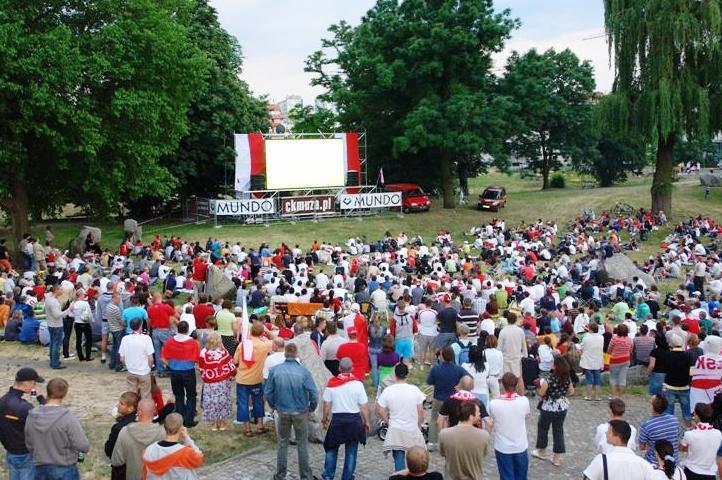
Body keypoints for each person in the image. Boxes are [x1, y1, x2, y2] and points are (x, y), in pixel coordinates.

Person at [264, 343, 319, 480]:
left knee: (282, 443)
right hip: (300, 411)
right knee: (302, 444)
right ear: (296, 354)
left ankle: (280, 475)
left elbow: (268, 392)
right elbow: (314, 393)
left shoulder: (275, 371)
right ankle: (305, 476)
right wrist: (311, 408)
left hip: (282, 410)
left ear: (285, 354)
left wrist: (273, 406)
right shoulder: (304, 372)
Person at [24, 378, 90, 479]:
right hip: (64, 467)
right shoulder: (67, 417)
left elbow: (29, 442)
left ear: (48, 392)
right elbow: (83, 445)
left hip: (40, 466)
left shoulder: (32, 416)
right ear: (64, 394)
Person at [321, 357, 370, 480]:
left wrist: (325, 419)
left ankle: (328, 475)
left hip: (337, 420)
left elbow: (326, 405)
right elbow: (363, 407)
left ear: (339, 369)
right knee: (351, 451)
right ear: (352, 368)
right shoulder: (358, 385)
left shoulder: (332, 384)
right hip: (354, 421)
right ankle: (347, 477)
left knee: (331, 448)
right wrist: (366, 421)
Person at [376, 363, 427, 472]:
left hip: (395, 429)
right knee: (416, 458)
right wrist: (419, 423)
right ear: (407, 375)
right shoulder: (414, 390)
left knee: (398, 459)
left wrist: (387, 421)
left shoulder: (388, 391)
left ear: (395, 375)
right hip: (412, 428)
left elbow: (380, 409)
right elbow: (421, 410)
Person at [0, 368, 46, 480]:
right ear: (27, 383)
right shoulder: (24, 407)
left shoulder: (3, 401)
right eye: (34, 383)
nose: (34, 386)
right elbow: (45, 421)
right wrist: (41, 399)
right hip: (26, 453)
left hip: (10, 451)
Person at [531, 355, 574, 467]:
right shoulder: (567, 378)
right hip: (562, 406)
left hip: (548, 407)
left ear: (556, 366)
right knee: (558, 430)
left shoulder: (548, 380)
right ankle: (557, 458)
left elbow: (541, 393)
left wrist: (538, 388)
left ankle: (542, 452)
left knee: (543, 428)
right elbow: (571, 392)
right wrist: (561, 394)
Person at [426, 345, 471, 450]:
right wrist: (460, 385)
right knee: (452, 420)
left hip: (438, 398)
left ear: (442, 356)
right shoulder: (458, 369)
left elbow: (429, 382)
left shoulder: (436, 369)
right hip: (453, 399)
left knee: (434, 419)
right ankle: (452, 441)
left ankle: (432, 442)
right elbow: (469, 378)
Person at [234, 320, 272, 437]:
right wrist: (267, 331)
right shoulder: (265, 345)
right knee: (258, 402)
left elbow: (235, 361)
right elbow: (278, 339)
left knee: (243, 403)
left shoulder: (242, 345)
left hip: (242, 379)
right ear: (262, 333)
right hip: (257, 379)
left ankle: (247, 429)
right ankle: (260, 426)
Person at [489, 372, 530, 480]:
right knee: (521, 477)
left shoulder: (494, 403)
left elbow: (491, 420)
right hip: (520, 445)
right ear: (516, 385)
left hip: (503, 446)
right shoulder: (524, 401)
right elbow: (526, 417)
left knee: (506, 477)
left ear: (502, 384)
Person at [111, 399, 165, 480]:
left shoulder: (125, 432)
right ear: (154, 412)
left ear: (138, 411)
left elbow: (117, 461)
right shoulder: (162, 433)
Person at [583, 420, 655, 480]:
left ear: (617, 437)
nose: (606, 433)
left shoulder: (601, 460)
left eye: (609, 432)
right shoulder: (643, 464)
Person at [161, 320, 200, 428]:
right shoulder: (193, 343)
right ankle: (188, 420)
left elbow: (163, 358)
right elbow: (197, 359)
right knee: (191, 395)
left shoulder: (170, 341)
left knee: (179, 396)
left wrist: (170, 365)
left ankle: (180, 418)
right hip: (188, 372)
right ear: (187, 330)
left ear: (178, 329)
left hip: (175, 372)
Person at [141, 413, 204, 479]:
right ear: (181, 428)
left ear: (164, 427)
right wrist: (187, 438)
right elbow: (199, 459)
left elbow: (145, 474)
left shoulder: (149, 450)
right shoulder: (185, 453)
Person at [439, 400, 489, 480]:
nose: (480, 414)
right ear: (471, 416)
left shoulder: (444, 434)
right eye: (478, 412)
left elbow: (443, 453)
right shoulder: (484, 435)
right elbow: (484, 454)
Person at [198, 332, 236, 431]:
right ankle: (222, 422)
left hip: (210, 383)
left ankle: (215, 423)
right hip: (222, 382)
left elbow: (201, 367)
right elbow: (230, 365)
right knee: (223, 401)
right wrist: (232, 374)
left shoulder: (203, 353)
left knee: (212, 402)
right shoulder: (224, 352)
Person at [680, 403, 720, 480]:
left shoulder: (689, 434)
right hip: (710, 473)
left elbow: (681, 448)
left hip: (692, 472)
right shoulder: (718, 434)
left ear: (697, 416)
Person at [119, 318, 155, 398]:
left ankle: (132, 409)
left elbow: (122, 358)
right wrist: (150, 368)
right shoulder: (146, 338)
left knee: (131, 396)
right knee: (145, 395)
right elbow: (151, 358)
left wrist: (127, 366)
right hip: (144, 371)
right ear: (140, 326)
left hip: (131, 370)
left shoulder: (125, 339)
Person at [663, 334, 693, 428]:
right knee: (686, 410)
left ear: (671, 344)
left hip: (670, 385)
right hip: (684, 386)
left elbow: (664, 370)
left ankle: (670, 429)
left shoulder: (667, 355)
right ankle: (688, 428)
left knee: (669, 410)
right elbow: (691, 372)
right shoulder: (688, 355)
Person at [639, 395, 680, 465]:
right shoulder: (674, 420)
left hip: (655, 462)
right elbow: (677, 437)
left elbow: (642, 447)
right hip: (673, 459)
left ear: (652, 407)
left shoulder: (647, 425)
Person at [147, 292, 177, 376]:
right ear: (161, 298)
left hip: (155, 330)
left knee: (157, 351)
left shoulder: (150, 308)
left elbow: (148, 321)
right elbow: (176, 315)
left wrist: (150, 330)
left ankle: (160, 370)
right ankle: (171, 367)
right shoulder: (166, 307)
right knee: (170, 350)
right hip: (165, 330)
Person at [104, 392, 140, 460]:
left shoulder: (118, 427)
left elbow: (109, 449)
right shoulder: (139, 421)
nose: (118, 405)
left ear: (131, 408)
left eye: (122, 404)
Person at [43, 285, 72, 369]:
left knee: (53, 343)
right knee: (57, 344)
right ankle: (55, 363)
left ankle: (53, 360)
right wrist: (69, 309)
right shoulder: (53, 302)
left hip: (51, 324)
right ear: (56, 290)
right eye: (61, 290)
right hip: (56, 325)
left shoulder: (48, 299)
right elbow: (57, 315)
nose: (62, 291)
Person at [498, 312, 528, 390]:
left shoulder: (503, 331)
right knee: (519, 377)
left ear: (507, 320)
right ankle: (520, 396)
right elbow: (524, 345)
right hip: (517, 358)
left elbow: (499, 348)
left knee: (505, 379)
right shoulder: (520, 331)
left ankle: (505, 396)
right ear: (515, 320)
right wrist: (525, 356)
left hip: (506, 358)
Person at [608, 323, 634, 398]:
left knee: (613, 378)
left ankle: (613, 396)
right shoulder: (630, 340)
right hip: (626, 359)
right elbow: (631, 350)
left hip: (615, 360)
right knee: (622, 378)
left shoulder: (614, 339)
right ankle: (619, 396)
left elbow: (609, 350)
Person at [580, 322, 604, 401]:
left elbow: (582, 347)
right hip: (598, 360)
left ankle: (589, 396)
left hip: (588, 360)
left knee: (589, 379)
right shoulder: (601, 337)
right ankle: (598, 396)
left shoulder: (586, 338)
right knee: (597, 379)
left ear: (590, 329)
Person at [71, 289, 93, 361]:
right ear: (81, 295)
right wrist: (92, 321)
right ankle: (88, 356)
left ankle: (80, 356)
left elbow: (70, 314)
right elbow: (89, 314)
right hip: (85, 323)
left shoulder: (73, 303)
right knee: (88, 339)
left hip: (77, 323)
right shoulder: (85, 303)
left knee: (78, 340)